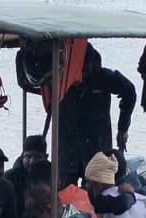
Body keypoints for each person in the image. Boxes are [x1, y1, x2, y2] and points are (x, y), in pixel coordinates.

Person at [56, 43, 137, 186]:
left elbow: (129, 91)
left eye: (84, 73)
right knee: (65, 191)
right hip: (68, 146)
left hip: (97, 146)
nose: (80, 79)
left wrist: (123, 128)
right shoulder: (61, 77)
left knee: (96, 192)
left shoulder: (103, 77)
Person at [5, 133, 49, 208]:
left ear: (46, 157)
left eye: (37, 156)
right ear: (22, 156)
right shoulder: (10, 178)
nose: (32, 161)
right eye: (28, 156)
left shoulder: (51, 174)